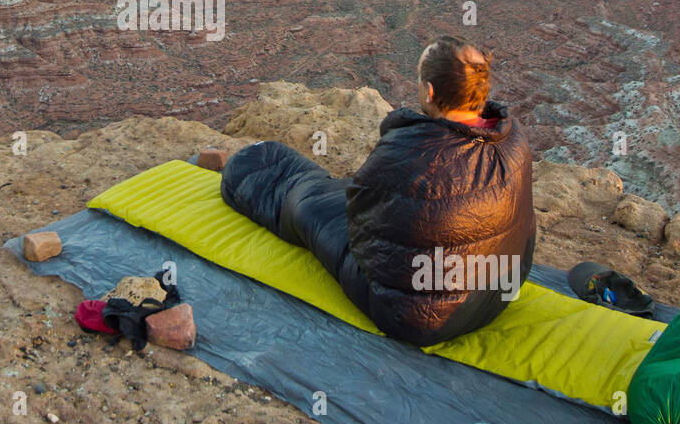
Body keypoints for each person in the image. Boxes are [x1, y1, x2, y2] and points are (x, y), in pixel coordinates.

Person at [221, 35, 536, 345]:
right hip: (500, 292)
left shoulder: (409, 153)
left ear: (429, 91)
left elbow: (361, 222)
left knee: (309, 209)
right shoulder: (511, 137)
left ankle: (245, 170)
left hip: (420, 318)